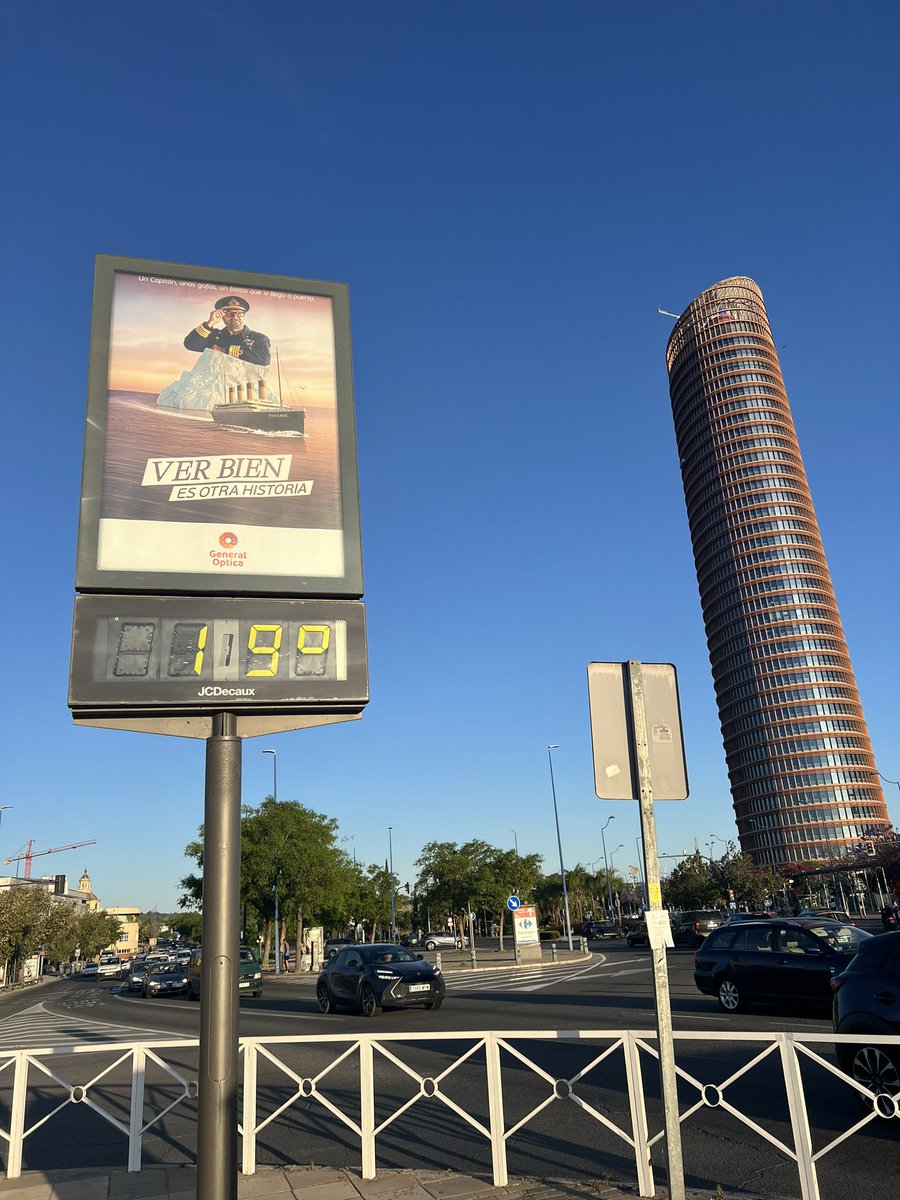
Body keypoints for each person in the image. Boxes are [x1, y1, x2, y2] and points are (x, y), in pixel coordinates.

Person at [184, 295, 271, 365]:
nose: (235, 317)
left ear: (244, 315)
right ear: (222, 316)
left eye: (239, 313)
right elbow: (190, 344)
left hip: (244, 385)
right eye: (229, 314)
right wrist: (210, 322)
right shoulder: (215, 336)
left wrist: (224, 350)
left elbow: (264, 359)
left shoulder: (258, 338)